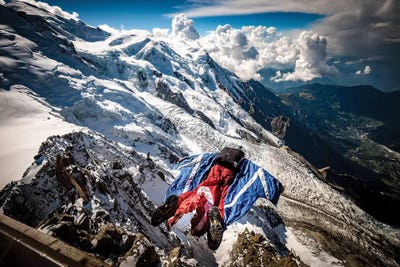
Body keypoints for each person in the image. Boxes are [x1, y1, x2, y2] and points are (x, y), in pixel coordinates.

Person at [151, 147, 282, 250]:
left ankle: (176, 202)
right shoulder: (247, 167)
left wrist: (183, 160)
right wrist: (278, 188)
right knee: (216, 207)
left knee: (193, 195)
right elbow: (263, 179)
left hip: (211, 174)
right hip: (226, 178)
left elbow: (192, 160)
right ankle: (217, 222)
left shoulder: (211, 157)